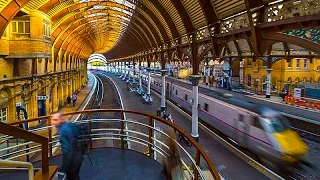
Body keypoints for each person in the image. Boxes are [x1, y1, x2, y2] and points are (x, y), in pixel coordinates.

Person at [51, 113, 83, 180]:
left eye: (56, 120)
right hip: (79, 156)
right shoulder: (69, 124)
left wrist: (64, 167)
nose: (53, 122)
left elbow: (68, 151)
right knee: (75, 176)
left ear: (61, 119)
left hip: (73, 161)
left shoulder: (63, 131)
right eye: (53, 120)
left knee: (72, 177)